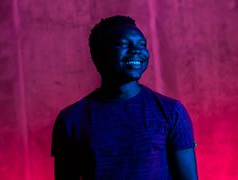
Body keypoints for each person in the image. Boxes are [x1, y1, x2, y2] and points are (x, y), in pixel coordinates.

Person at [51, 15, 198, 180]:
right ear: (99, 54)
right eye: (123, 44)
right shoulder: (71, 119)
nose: (136, 50)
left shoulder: (171, 111)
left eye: (142, 44)